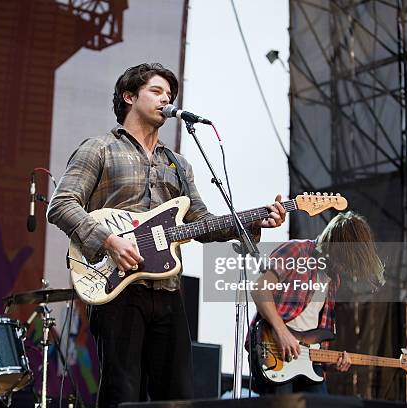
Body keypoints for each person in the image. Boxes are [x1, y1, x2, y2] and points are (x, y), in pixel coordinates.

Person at [47, 62, 287, 405]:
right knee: (122, 394)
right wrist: (109, 240)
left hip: (168, 290)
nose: (166, 99)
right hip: (117, 289)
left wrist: (253, 221)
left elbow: (202, 221)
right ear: (129, 96)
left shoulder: (178, 163)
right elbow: (61, 204)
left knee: (177, 396)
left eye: (169, 94)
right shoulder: (98, 148)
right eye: (156, 91)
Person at [249, 211, 385, 394]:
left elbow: (315, 330)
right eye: (342, 260)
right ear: (334, 244)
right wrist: (282, 332)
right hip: (274, 351)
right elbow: (259, 289)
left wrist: (332, 362)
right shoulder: (296, 251)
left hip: (307, 362)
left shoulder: (333, 279)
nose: (343, 267)